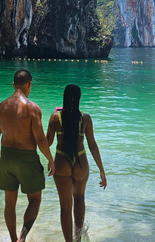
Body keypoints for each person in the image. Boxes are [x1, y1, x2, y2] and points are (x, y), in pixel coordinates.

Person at [0, 69, 55, 242]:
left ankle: (13, 240)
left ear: (13, 85)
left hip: (6, 157)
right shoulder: (32, 108)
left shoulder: (1, 107)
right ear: (29, 85)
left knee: (9, 203)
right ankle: (22, 237)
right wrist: (50, 159)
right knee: (34, 200)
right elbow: (41, 140)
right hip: (27, 158)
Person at [46, 84, 107, 242]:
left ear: (64, 98)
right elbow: (92, 145)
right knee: (79, 198)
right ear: (79, 99)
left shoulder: (55, 118)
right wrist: (101, 170)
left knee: (65, 207)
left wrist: (49, 161)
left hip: (61, 161)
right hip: (81, 162)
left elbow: (47, 142)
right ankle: (78, 238)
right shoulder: (85, 118)